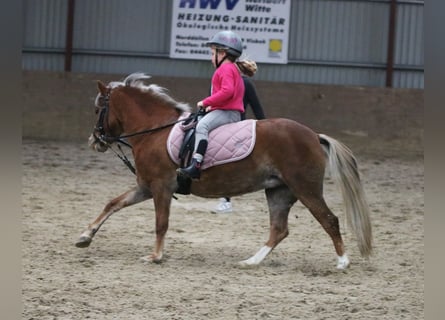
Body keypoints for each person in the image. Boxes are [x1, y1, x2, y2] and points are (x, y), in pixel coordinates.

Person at [177, 30, 257, 180]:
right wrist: (211, 107)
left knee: (202, 126)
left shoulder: (226, 69)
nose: (211, 58)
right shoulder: (232, 68)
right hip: (226, 110)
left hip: (228, 113)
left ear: (222, 53)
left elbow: (227, 92)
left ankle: (196, 165)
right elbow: (227, 96)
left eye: (212, 53)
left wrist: (205, 102)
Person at [212, 76, 266, 214]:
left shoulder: (245, 82)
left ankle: (226, 200)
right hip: (219, 125)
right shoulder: (218, 80)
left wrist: (266, 128)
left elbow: (256, 108)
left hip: (237, 127)